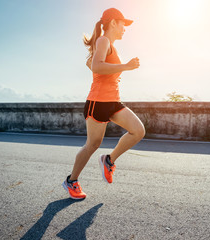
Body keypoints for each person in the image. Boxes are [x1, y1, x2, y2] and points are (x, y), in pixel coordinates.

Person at [62, 8, 145, 200]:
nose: (125, 28)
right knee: (92, 144)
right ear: (114, 23)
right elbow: (96, 66)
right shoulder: (103, 40)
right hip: (98, 102)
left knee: (138, 131)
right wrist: (126, 66)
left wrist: (104, 65)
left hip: (113, 101)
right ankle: (71, 181)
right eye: (123, 24)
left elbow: (92, 64)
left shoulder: (109, 45)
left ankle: (109, 160)